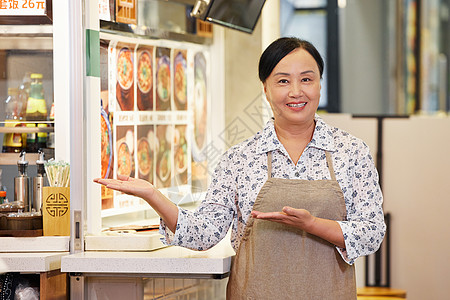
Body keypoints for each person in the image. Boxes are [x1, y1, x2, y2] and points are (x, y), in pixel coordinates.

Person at [94, 37, 386, 299]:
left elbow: (372, 232)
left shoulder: (351, 152)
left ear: (320, 84)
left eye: (307, 80)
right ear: (266, 89)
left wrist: (312, 225)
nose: (296, 91)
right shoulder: (240, 158)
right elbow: (204, 233)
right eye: (283, 81)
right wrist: (153, 195)